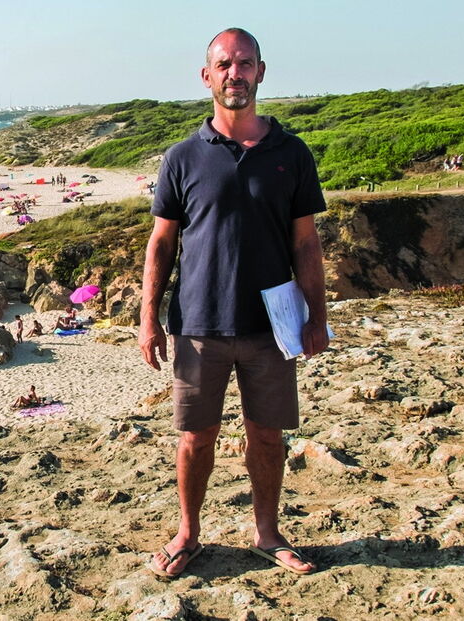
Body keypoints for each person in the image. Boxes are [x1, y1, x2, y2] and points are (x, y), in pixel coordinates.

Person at [139, 28, 327, 579]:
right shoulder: (181, 157)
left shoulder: (290, 153)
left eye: (245, 64)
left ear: (261, 72)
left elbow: (305, 241)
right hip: (199, 322)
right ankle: (188, 534)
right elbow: (162, 242)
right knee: (196, 437)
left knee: (268, 436)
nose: (234, 73)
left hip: (272, 325)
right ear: (207, 75)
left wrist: (318, 316)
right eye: (224, 64)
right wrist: (148, 319)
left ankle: (268, 534)